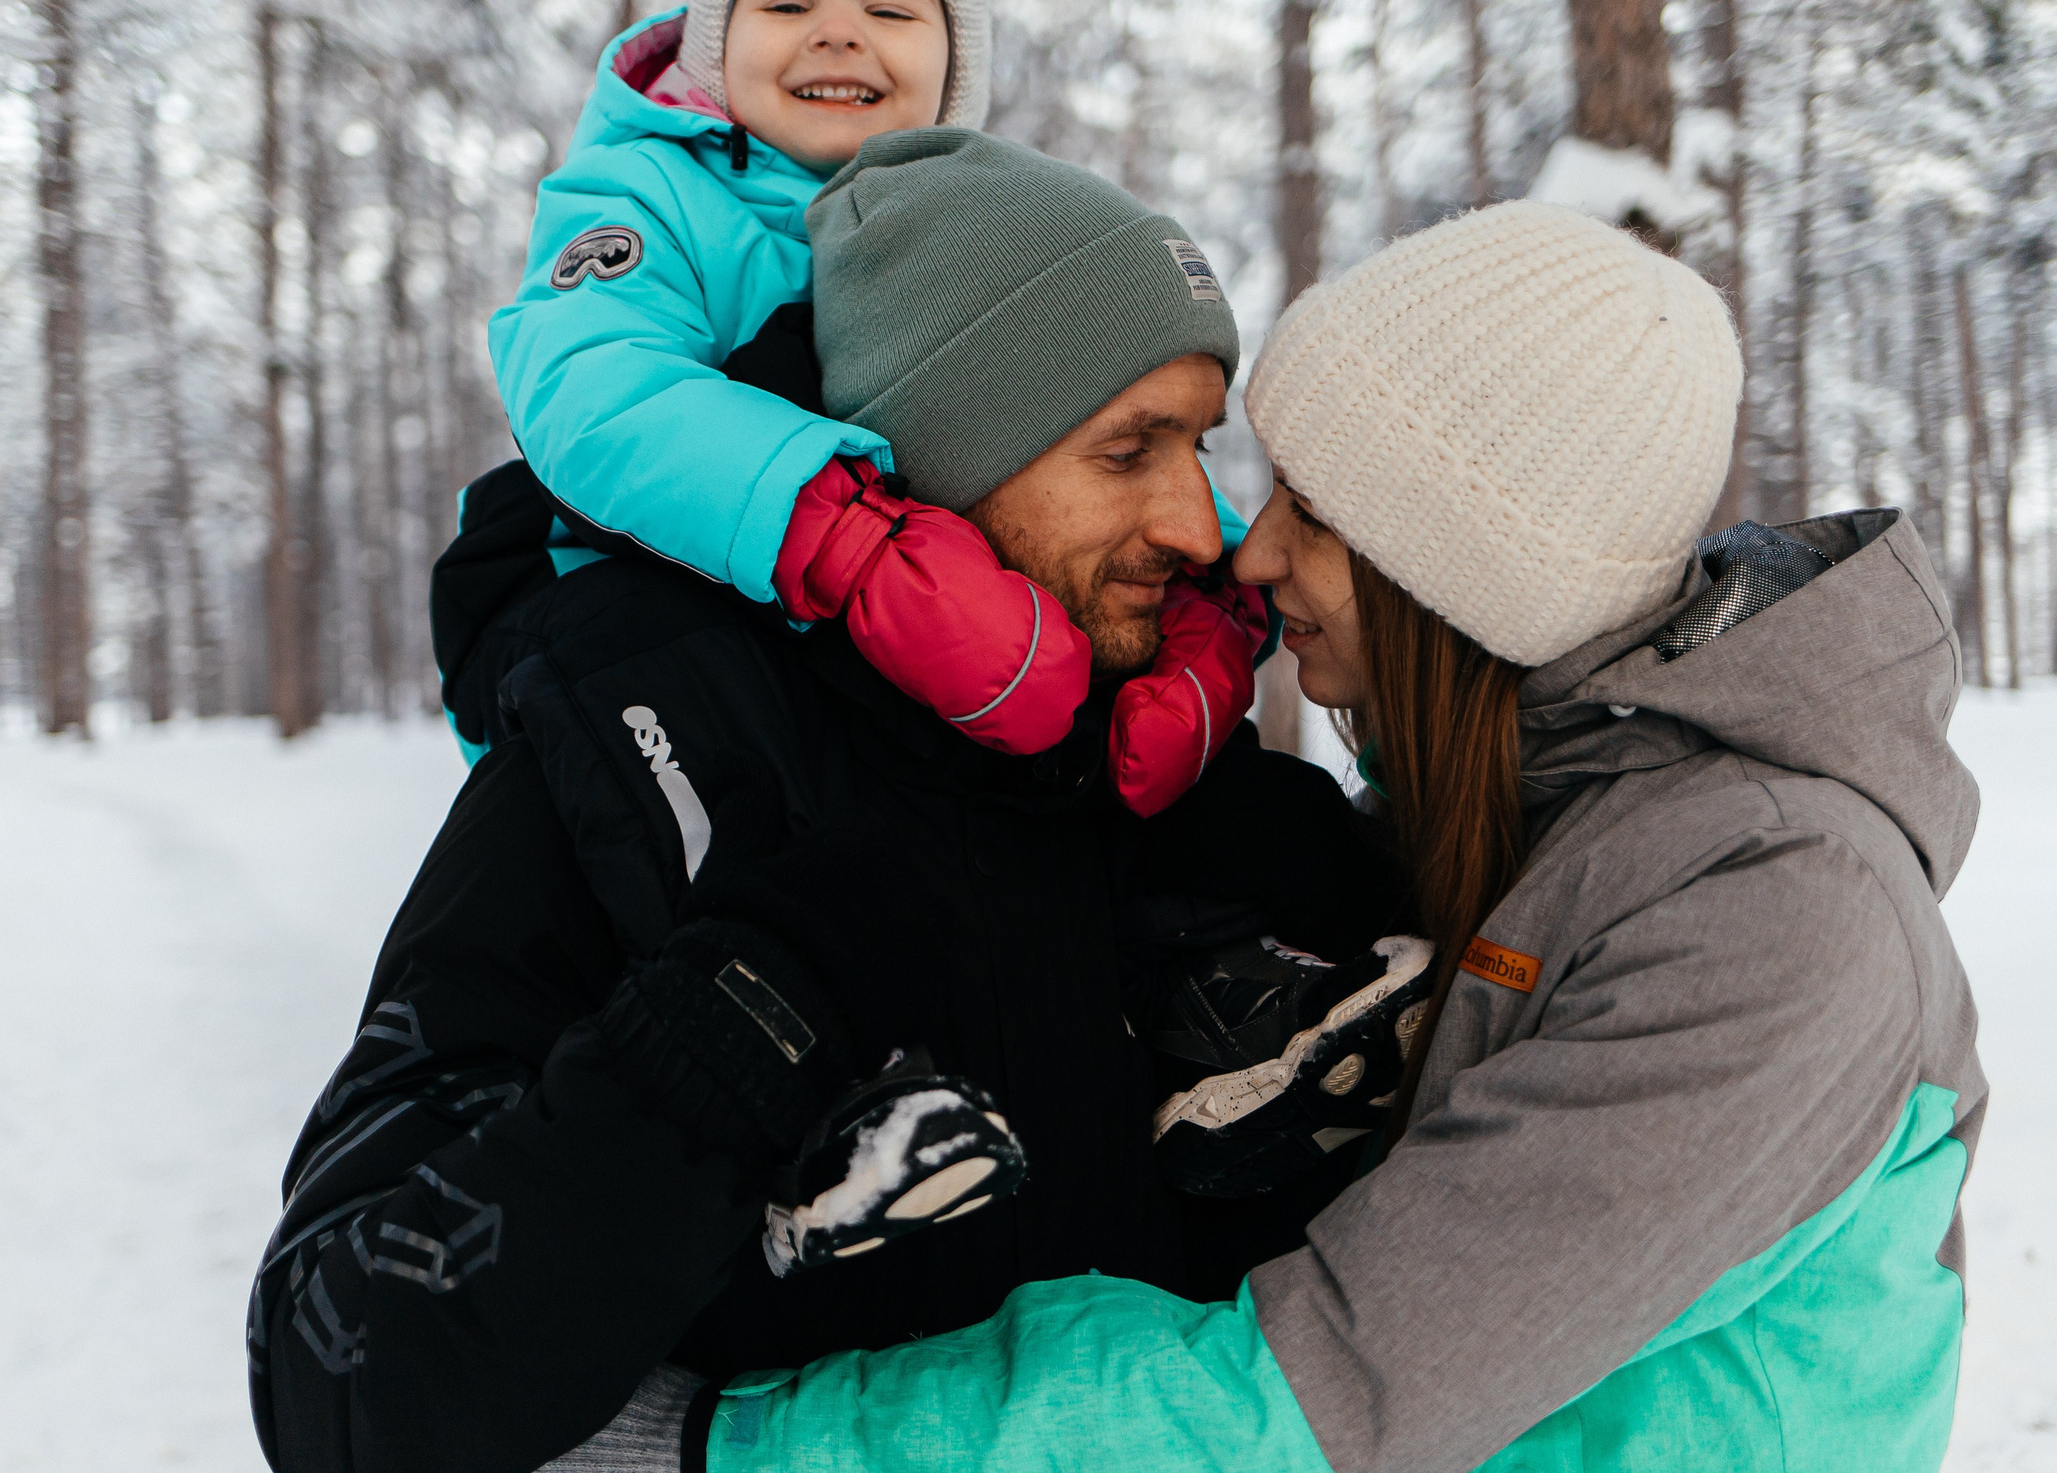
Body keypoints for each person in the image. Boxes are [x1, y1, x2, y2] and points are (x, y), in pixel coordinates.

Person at [692, 200, 1988, 1473]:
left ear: (1449, 564)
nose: (1246, 556)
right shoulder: (1513, 823)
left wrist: (729, 1443)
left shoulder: (1777, 911)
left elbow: (1312, 1397)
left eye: (1311, 507)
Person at [247, 133, 1407, 1473]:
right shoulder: (640, 740)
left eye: (1195, 443)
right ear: (945, 447)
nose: (1197, 525)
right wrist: (730, 1027)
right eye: (1126, 449)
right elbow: (334, 1370)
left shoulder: (1173, 771)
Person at [487, 0, 1252, 813]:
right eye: (787, 2)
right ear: (718, 35)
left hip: (902, 650)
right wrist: (850, 539)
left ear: (954, 61)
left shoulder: (977, 224)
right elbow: (595, 388)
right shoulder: (643, 191)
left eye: (890, 7)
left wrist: (1210, 614)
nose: (838, 33)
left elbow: (1100, 422)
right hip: (652, 641)